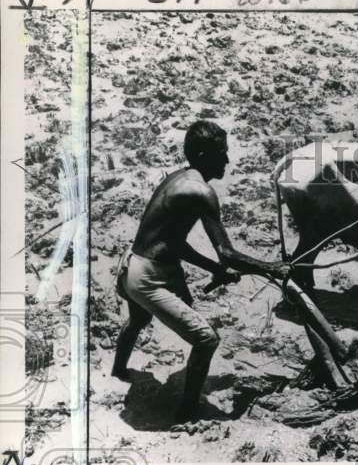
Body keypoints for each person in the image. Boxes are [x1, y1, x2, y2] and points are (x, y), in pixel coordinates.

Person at [113, 120, 289, 422]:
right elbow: (228, 253)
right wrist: (272, 268)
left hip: (131, 266)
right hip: (148, 279)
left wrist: (214, 269)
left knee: (138, 319)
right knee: (207, 340)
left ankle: (118, 371)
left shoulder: (177, 178)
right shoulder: (201, 192)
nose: (227, 160)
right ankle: (187, 413)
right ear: (205, 156)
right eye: (222, 153)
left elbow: (173, 242)